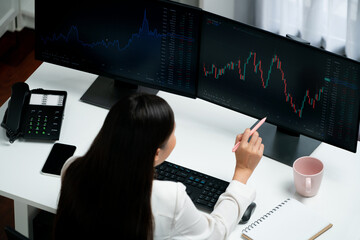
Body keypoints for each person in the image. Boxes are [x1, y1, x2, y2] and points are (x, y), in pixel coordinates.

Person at [53, 93, 264, 240]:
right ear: (155, 153)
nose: (174, 136)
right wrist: (242, 173)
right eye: (172, 132)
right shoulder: (170, 198)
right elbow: (215, 233)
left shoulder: (71, 168)